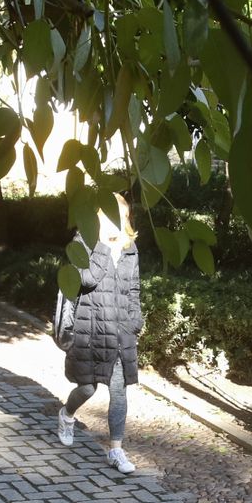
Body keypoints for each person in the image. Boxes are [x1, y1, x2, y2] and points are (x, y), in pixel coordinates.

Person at [57, 195, 142, 473]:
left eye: (120, 215)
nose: (115, 221)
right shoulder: (83, 243)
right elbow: (87, 279)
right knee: (88, 387)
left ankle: (116, 451)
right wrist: (104, 245)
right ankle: (67, 414)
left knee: (119, 390)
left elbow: (134, 289)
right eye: (108, 216)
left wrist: (135, 320)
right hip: (90, 329)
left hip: (119, 331)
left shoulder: (131, 248)